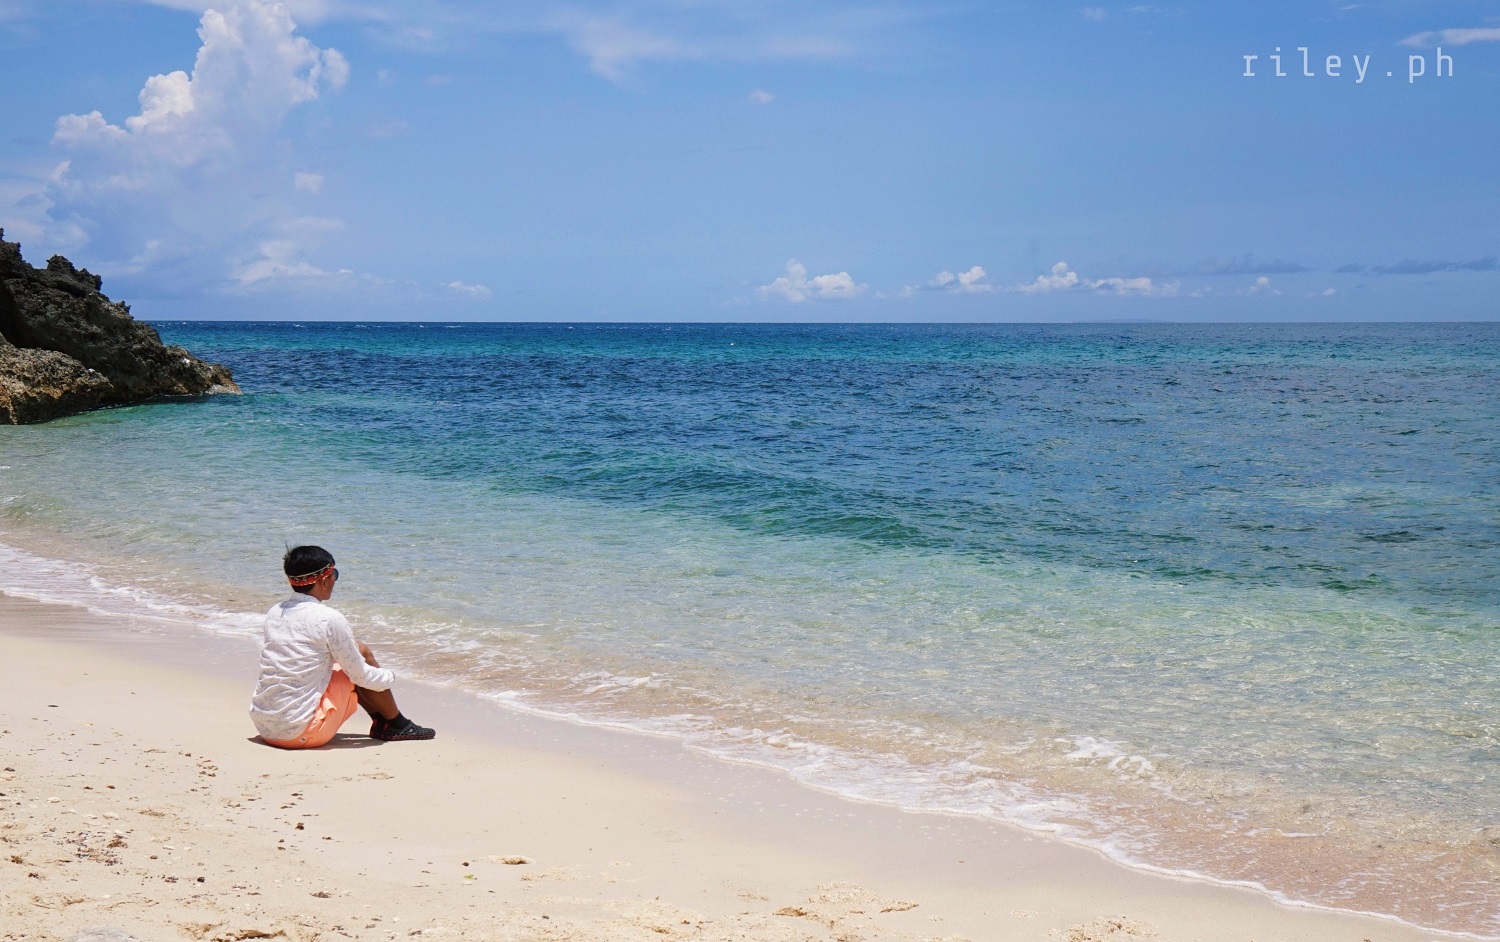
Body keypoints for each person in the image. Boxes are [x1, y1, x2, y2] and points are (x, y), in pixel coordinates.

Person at [249, 545, 435, 747]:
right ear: (323, 580)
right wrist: (391, 676)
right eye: (334, 575)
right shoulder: (329, 618)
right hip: (299, 733)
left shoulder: (275, 612)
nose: (334, 581)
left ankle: (385, 722)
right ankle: (398, 724)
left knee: (350, 656)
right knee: (359, 656)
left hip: (265, 727)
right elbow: (360, 676)